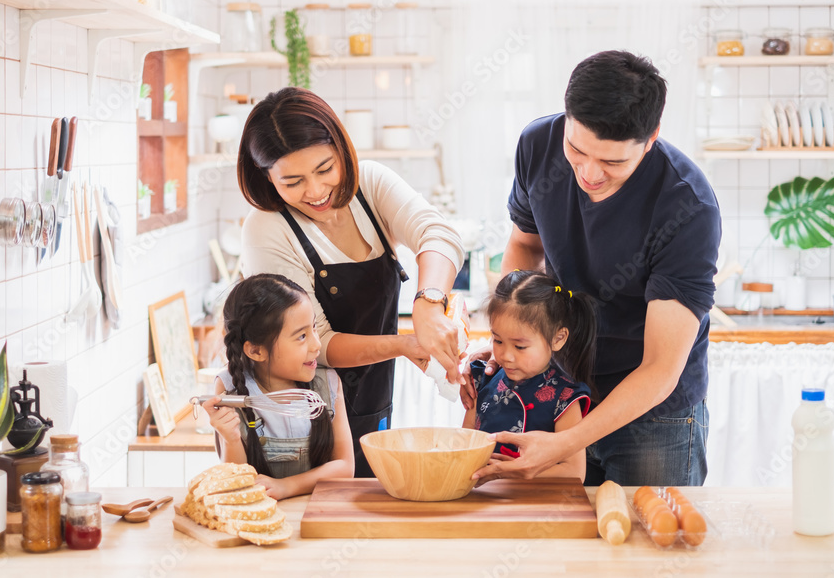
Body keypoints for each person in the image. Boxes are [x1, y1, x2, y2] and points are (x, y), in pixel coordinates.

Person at [468, 50, 721, 487]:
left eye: (613, 162)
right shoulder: (537, 145)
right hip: (559, 387)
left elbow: (661, 368)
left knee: (648, 545)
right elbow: (525, 247)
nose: (589, 173)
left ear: (652, 137)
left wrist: (566, 444)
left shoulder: (687, 207)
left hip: (652, 413)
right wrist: (511, 340)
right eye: (577, 150)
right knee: (562, 547)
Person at [237, 87, 465, 477]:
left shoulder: (370, 186)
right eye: (292, 181)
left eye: (325, 169)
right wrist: (404, 344)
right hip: (302, 420)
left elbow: (439, 234)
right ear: (266, 177)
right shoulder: (267, 229)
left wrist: (428, 303)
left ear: (341, 149)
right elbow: (316, 344)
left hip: (372, 396)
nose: (315, 191)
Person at [201, 274, 354, 500]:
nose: (317, 344)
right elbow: (235, 483)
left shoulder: (327, 385)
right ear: (256, 351)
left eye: (313, 328)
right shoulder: (230, 387)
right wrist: (230, 438)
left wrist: (286, 486)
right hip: (258, 516)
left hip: (316, 513)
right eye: (301, 336)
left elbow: (345, 467)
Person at [463, 270, 596, 481]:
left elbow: (574, 472)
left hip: (537, 507)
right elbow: (464, 445)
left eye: (520, 346)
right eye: (497, 341)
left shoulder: (566, 397)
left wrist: (509, 475)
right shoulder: (483, 380)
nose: (506, 356)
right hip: (483, 502)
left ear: (558, 338)